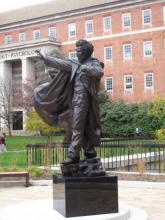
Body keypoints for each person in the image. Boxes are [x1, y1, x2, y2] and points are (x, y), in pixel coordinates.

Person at [35, 39, 104, 165]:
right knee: (83, 127)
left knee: (76, 128)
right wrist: (45, 57)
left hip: (84, 101)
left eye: (79, 51)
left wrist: (85, 68)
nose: (76, 53)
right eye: (76, 51)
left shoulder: (94, 63)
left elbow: (99, 72)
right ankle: (90, 153)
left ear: (86, 52)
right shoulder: (74, 64)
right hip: (74, 101)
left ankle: (73, 156)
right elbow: (60, 63)